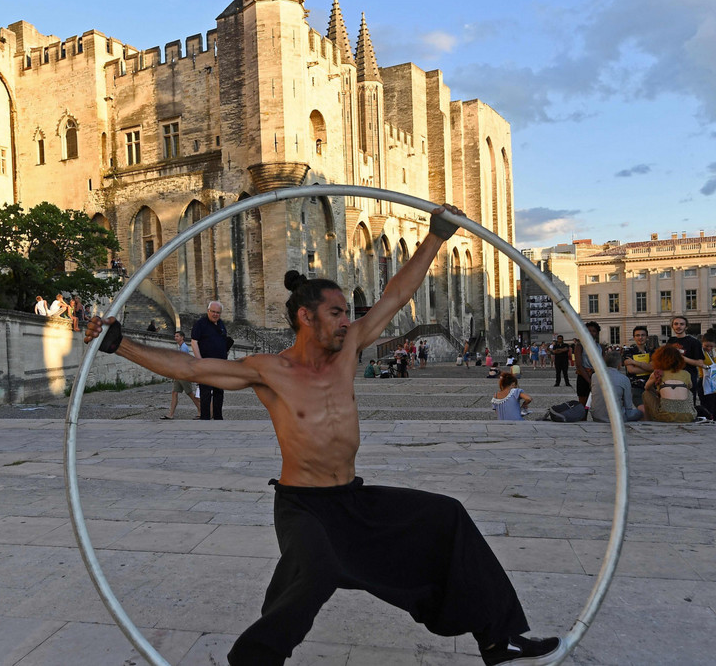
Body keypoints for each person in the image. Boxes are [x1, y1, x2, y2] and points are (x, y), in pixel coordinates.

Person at [82, 204, 559, 666]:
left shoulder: (349, 349)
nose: (347, 320)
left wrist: (435, 236)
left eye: (347, 312)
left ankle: (500, 639)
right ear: (305, 318)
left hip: (353, 501)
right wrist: (118, 342)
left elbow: (395, 296)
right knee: (316, 571)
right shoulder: (270, 371)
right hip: (303, 505)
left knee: (448, 516)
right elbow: (190, 366)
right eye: (336, 312)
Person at [191, 300, 230, 420]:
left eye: (218, 312)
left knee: (219, 391)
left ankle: (218, 417)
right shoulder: (200, 323)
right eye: (213, 311)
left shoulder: (221, 324)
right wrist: (199, 360)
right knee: (206, 392)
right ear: (208, 311)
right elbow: (194, 342)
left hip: (220, 364)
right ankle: (205, 418)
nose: (215, 314)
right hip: (206, 363)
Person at [642, 345, 696, 423]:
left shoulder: (657, 373)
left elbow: (647, 388)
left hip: (665, 416)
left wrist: (658, 392)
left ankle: (649, 420)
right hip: (687, 416)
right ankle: (688, 410)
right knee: (688, 391)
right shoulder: (686, 374)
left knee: (645, 394)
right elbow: (690, 387)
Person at [589, 347, 644, 423]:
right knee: (639, 412)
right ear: (619, 364)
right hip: (616, 417)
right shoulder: (624, 379)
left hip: (597, 415)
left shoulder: (594, 376)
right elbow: (628, 406)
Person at [162, 331, 200, 420]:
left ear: (182, 337)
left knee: (190, 394)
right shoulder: (181, 347)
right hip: (179, 375)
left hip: (182, 375)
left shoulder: (184, 348)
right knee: (174, 393)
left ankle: (201, 411)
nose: (175, 338)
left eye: (177, 336)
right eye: (175, 336)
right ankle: (170, 414)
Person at [665, 316, 704, 404]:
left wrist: (682, 358)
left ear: (686, 327)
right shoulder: (671, 341)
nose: (678, 326)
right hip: (671, 377)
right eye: (676, 324)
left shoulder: (694, 342)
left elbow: (700, 363)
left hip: (688, 379)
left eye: (681, 324)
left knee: (688, 405)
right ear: (672, 326)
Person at [623, 326, 654, 408]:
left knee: (652, 411)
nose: (640, 337)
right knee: (643, 410)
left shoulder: (652, 351)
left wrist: (634, 362)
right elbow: (631, 370)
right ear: (634, 337)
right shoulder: (628, 351)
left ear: (647, 337)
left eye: (643, 335)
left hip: (651, 385)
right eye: (637, 335)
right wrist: (647, 367)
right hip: (635, 386)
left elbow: (652, 368)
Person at [572, 321, 600, 410]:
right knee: (583, 405)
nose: (591, 333)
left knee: (597, 403)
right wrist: (589, 381)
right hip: (583, 376)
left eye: (594, 331)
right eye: (588, 331)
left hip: (596, 376)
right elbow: (579, 365)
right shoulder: (580, 346)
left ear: (597, 333)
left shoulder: (600, 347)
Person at [699, 331, 716, 421]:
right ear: (702, 343)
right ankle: (708, 417)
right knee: (707, 402)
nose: (709, 348)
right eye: (706, 346)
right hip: (704, 379)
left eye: (711, 346)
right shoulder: (699, 351)